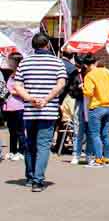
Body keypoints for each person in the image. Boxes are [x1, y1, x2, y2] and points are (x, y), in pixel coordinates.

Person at [10, 34, 67, 191]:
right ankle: (38, 180)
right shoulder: (57, 62)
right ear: (47, 45)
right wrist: (46, 99)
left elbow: (18, 86)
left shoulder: (25, 63)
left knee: (30, 144)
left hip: (30, 110)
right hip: (48, 110)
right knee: (43, 145)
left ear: (33, 46)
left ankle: (30, 176)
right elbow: (61, 84)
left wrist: (30, 98)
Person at [3, 53, 24, 160]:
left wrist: (12, 91)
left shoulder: (21, 75)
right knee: (12, 130)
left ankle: (21, 151)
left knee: (20, 130)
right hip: (9, 106)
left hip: (19, 106)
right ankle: (12, 151)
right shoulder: (11, 75)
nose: (8, 63)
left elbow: (24, 91)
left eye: (10, 61)